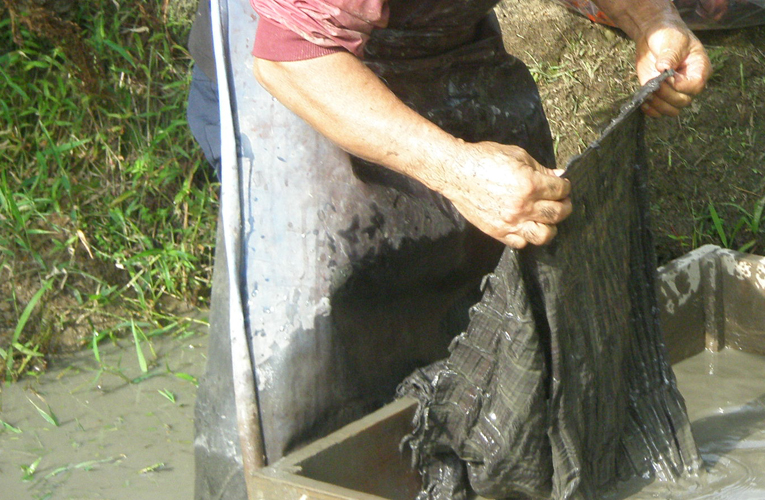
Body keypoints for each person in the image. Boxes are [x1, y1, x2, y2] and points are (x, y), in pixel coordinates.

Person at [185, 1, 710, 499]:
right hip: (301, 71)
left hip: (442, 50)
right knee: (309, 378)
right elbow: (290, 52)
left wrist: (652, 18)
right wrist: (457, 172)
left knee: (494, 324)